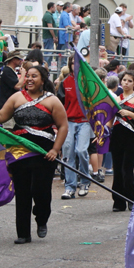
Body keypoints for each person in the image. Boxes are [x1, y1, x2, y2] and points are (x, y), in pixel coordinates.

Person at [0, 66, 68, 244]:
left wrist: (55, 149)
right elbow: (1, 116)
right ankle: (23, 233)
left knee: (40, 191)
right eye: (27, 76)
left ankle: (42, 218)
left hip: (44, 152)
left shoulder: (52, 100)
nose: (30, 79)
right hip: (20, 151)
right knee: (23, 191)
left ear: (43, 80)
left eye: (35, 76)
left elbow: (63, 126)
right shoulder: (16, 98)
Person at [110, 71, 134, 212]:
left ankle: (131, 198)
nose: (126, 83)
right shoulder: (115, 98)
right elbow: (109, 118)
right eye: (124, 80)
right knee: (117, 169)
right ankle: (118, 201)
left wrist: (130, 113)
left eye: (129, 81)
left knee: (127, 169)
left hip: (132, 136)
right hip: (117, 135)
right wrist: (103, 132)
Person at [58, 56, 92, 199]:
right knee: (68, 153)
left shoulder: (89, 81)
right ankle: (70, 187)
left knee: (81, 150)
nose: (74, 65)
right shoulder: (65, 83)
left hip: (85, 120)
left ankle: (85, 181)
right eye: (72, 63)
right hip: (69, 121)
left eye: (76, 63)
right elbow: (59, 104)